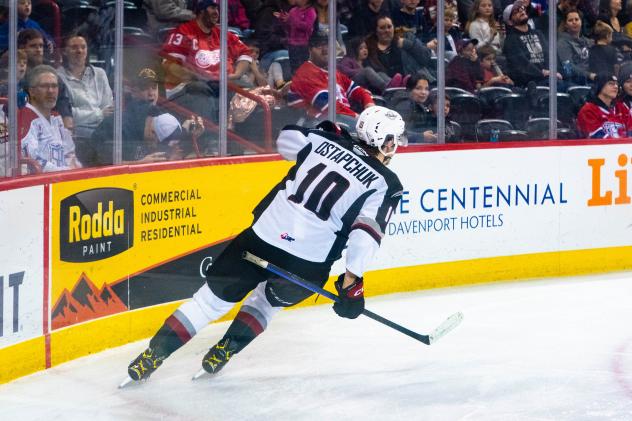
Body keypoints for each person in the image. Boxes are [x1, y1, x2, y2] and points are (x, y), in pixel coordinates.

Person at [125, 105, 407, 383]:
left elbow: (285, 140)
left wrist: (315, 134)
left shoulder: (325, 140)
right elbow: (365, 234)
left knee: (207, 303)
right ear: (386, 141)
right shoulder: (386, 183)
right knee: (265, 304)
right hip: (307, 264)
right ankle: (226, 350)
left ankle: (153, 356)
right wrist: (352, 283)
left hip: (261, 239)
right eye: (395, 141)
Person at [160, 0, 253, 122]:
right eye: (212, 8)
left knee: (248, 92)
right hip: (192, 86)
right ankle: (210, 138)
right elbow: (170, 65)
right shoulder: (184, 32)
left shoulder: (222, 34)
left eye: (217, 9)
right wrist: (197, 76)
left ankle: (243, 133)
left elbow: (245, 53)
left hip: (222, 83)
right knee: (202, 93)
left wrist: (236, 74)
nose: (217, 12)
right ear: (200, 11)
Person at [287, 32, 375, 127]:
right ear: (310, 50)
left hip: (339, 119)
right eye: (319, 46)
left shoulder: (332, 72)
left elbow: (357, 90)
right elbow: (331, 107)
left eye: (327, 45)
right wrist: (358, 118)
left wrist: (369, 104)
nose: (325, 50)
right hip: (311, 125)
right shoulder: (306, 73)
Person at [56, 33, 113, 166]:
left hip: (103, 129)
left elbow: (109, 108)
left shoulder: (100, 73)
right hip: (77, 135)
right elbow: (68, 115)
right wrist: (98, 113)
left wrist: (90, 115)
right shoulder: (58, 77)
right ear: (64, 51)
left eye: (83, 47)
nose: (79, 51)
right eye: (74, 47)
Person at [18, 65, 81, 173]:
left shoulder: (56, 118)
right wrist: (65, 173)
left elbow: (69, 153)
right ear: (32, 91)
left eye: (54, 86)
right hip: (40, 185)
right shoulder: (25, 117)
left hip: (64, 180)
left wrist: (77, 171)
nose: (51, 91)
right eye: (44, 86)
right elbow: (31, 161)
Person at [502, 0, 560, 87]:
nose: (521, 11)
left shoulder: (538, 33)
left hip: (550, 78)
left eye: (522, 9)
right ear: (509, 22)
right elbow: (522, 65)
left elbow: (549, 55)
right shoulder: (510, 40)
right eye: (516, 12)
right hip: (531, 83)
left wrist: (553, 71)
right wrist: (543, 73)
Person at [577, 72, 630, 138]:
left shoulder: (621, 107)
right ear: (600, 86)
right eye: (611, 83)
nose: (616, 87)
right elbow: (597, 137)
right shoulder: (588, 110)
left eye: (617, 84)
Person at [557, 10, 596, 85]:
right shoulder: (562, 43)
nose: (574, 22)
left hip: (591, 80)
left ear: (581, 22)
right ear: (565, 25)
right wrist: (589, 75)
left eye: (576, 19)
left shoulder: (589, 42)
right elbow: (568, 68)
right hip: (573, 82)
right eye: (570, 20)